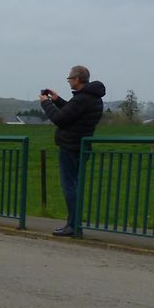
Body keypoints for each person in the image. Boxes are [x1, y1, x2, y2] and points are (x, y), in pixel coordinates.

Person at [40, 65, 106, 237]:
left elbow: (60, 119)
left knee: (70, 186)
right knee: (75, 185)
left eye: (69, 78)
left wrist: (46, 103)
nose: (68, 81)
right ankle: (74, 224)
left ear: (77, 79)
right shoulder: (93, 97)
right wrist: (57, 100)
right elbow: (73, 112)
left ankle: (73, 225)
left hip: (70, 147)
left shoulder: (81, 98)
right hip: (81, 146)